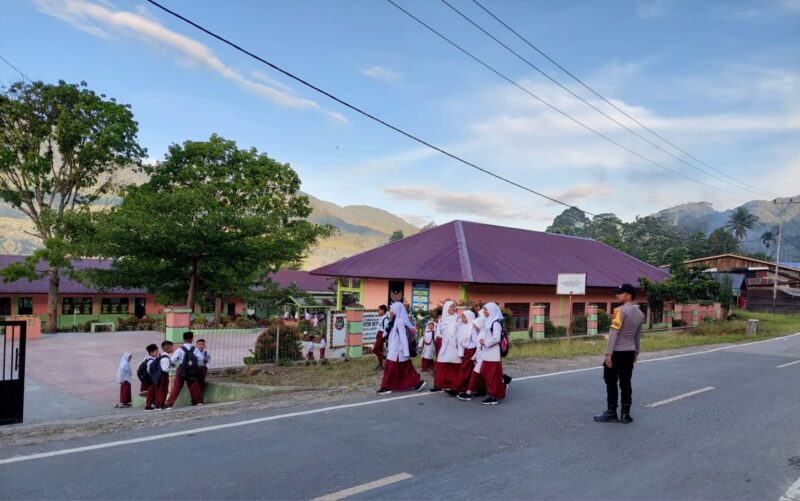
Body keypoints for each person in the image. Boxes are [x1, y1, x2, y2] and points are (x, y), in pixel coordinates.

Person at [594, 284, 644, 424]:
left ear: (628, 295)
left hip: (617, 352)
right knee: (626, 382)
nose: (617, 295)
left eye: (620, 293)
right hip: (629, 352)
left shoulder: (620, 311)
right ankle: (625, 414)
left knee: (610, 381)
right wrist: (636, 352)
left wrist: (608, 354)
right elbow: (638, 335)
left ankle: (611, 412)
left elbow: (614, 333)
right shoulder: (640, 313)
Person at [457, 302, 506, 405]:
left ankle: (493, 396)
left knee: (490, 376)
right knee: (485, 374)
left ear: (492, 310)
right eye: (484, 310)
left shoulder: (495, 323)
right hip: (487, 354)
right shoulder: (488, 322)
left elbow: (497, 339)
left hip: (493, 355)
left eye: (486, 310)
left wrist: (485, 342)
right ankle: (495, 390)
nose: (484, 312)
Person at [377, 302, 426, 394]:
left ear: (396, 311)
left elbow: (403, 338)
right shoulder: (393, 322)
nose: (390, 312)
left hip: (398, 351)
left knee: (391, 369)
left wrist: (406, 352)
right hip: (395, 351)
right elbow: (388, 333)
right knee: (406, 369)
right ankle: (417, 383)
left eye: (392, 311)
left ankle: (386, 387)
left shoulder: (400, 322)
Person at [166, 332, 204, 408]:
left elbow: (173, 359)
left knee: (177, 386)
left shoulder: (180, 349)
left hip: (181, 369)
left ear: (183, 339)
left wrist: (179, 361)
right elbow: (201, 358)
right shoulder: (195, 349)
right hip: (192, 370)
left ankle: (169, 404)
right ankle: (197, 401)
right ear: (192, 339)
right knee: (193, 385)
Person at [432, 301, 462, 395]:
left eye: (454, 307)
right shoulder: (442, 320)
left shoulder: (458, 319)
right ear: (446, 308)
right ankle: (439, 385)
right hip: (445, 345)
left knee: (454, 366)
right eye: (450, 307)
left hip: (455, 346)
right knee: (441, 365)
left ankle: (454, 385)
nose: (452, 308)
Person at [455, 310, 478, 393]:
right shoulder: (461, 325)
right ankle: (474, 387)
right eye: (462, 316)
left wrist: (466, 345)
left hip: (470, 350)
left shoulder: (472, 327)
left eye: (464, 317)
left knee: (464, 369)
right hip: (463, 350)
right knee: (471, 370)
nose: (462, 318)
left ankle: (457, 387)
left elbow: (475, 342)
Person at [373, 305, 388, 370]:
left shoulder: (385, 319)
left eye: (379, 310)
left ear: (383, 310)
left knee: (375, 349)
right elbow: (378, 327)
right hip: (379, 334)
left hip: (382, 334)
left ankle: (386, 358)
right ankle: (380, 365)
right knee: (379, 349)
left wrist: (382, 337)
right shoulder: (380, 317)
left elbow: (386, 330)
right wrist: (377, 335)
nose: (378, 311)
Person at [196, 338, 211, 402]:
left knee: (201, 383)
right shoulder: (194, 352)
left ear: (205, 346)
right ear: (196, 345)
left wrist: (206, 360)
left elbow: (209, 360)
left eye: (202, 344)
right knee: (195, 384)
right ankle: (195, 398)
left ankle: (200, 398)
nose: (201, 346)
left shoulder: (206, 353)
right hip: (195, 369)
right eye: (199, 344)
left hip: (203, 369)